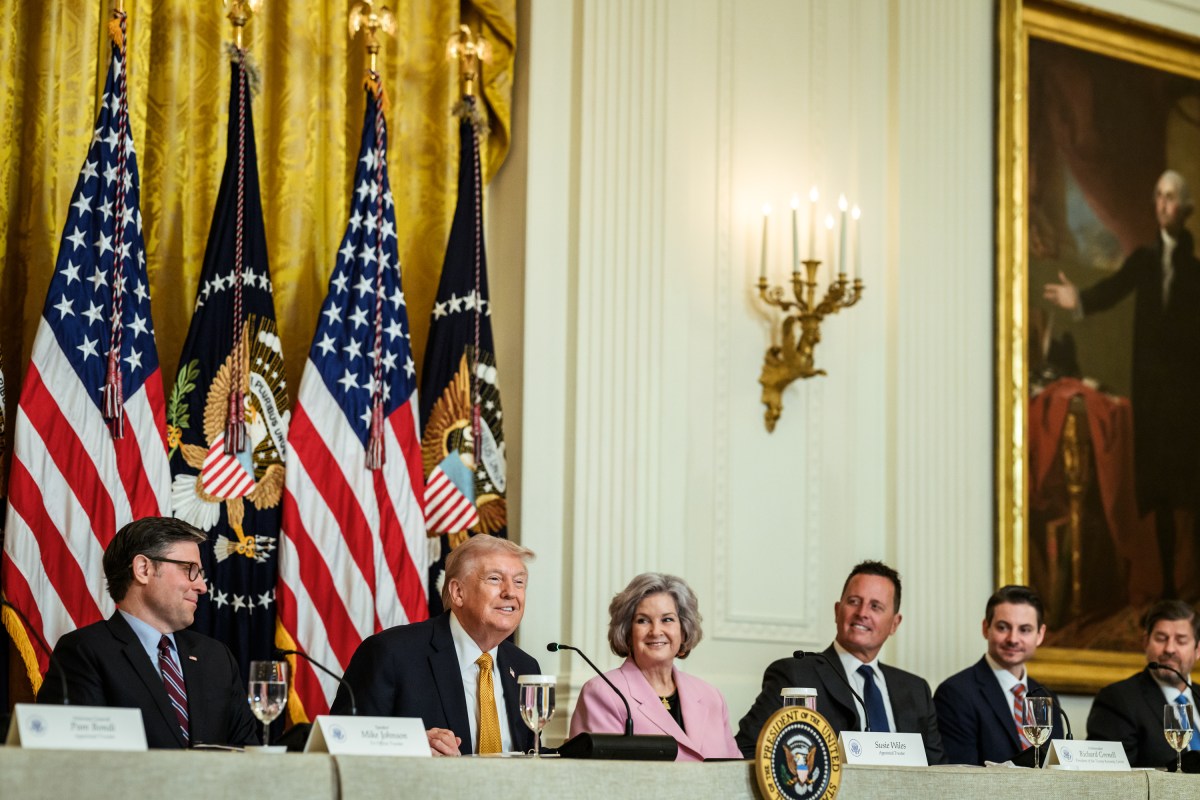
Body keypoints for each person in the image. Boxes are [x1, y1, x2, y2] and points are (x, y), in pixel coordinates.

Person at [1043, 170, 1200, 599]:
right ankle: (1169, 587)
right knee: (1161, 497)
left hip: (1190, 404)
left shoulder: (1195, 271)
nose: (1164, 204)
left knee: (1192, 494)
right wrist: (1079, 300)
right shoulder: (1144, 262)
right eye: (1159, 197)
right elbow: (1112, 290)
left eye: (1172, 198)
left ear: (1185, 210)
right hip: (1153, 401)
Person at [37, 517, 259, 749]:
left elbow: (246, 751)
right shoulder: (84, 652)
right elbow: (76, 760)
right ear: (143, 569)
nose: (202, 586)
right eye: (189, 570)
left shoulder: (216, 657)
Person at [332, 534, 540, 755]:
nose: (510, 592)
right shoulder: (391, 653)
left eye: (519, 582)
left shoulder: (524, 667)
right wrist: (409, 746)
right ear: (458, 592)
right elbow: (341, 740)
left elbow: (528, 754)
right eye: (495, 579)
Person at [734, 560, 944, 763]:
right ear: (837, 611)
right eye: (854, 602)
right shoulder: (796, 675)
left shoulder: (916, 690)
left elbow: (940, 773)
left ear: (895, 624)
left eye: (875, 606)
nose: (862, 613)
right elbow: (746, 749)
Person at [567, 573, 740, 761]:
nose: (656, 631)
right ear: (627, 632)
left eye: (667, 619)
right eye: (643, 620)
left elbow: (734, 771)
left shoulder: (711, 696)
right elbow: (601, 780)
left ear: (683, 630)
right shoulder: (603, 693)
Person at [933, 585, 1064, 765]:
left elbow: (1056, 770)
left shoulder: (1047, 697)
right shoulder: (956, 693)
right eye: (1003, 628)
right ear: (986, 628)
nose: (1013, 639)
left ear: (1040, 635)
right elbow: (961, 777)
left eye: (1024, 630)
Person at [1087, 599, 1200, 767]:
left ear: (1197, 650)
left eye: (1181, 640)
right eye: (1161, 638)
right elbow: (1109, 782)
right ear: (1146, 642)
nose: (1169, 649)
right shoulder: (1117, 700)